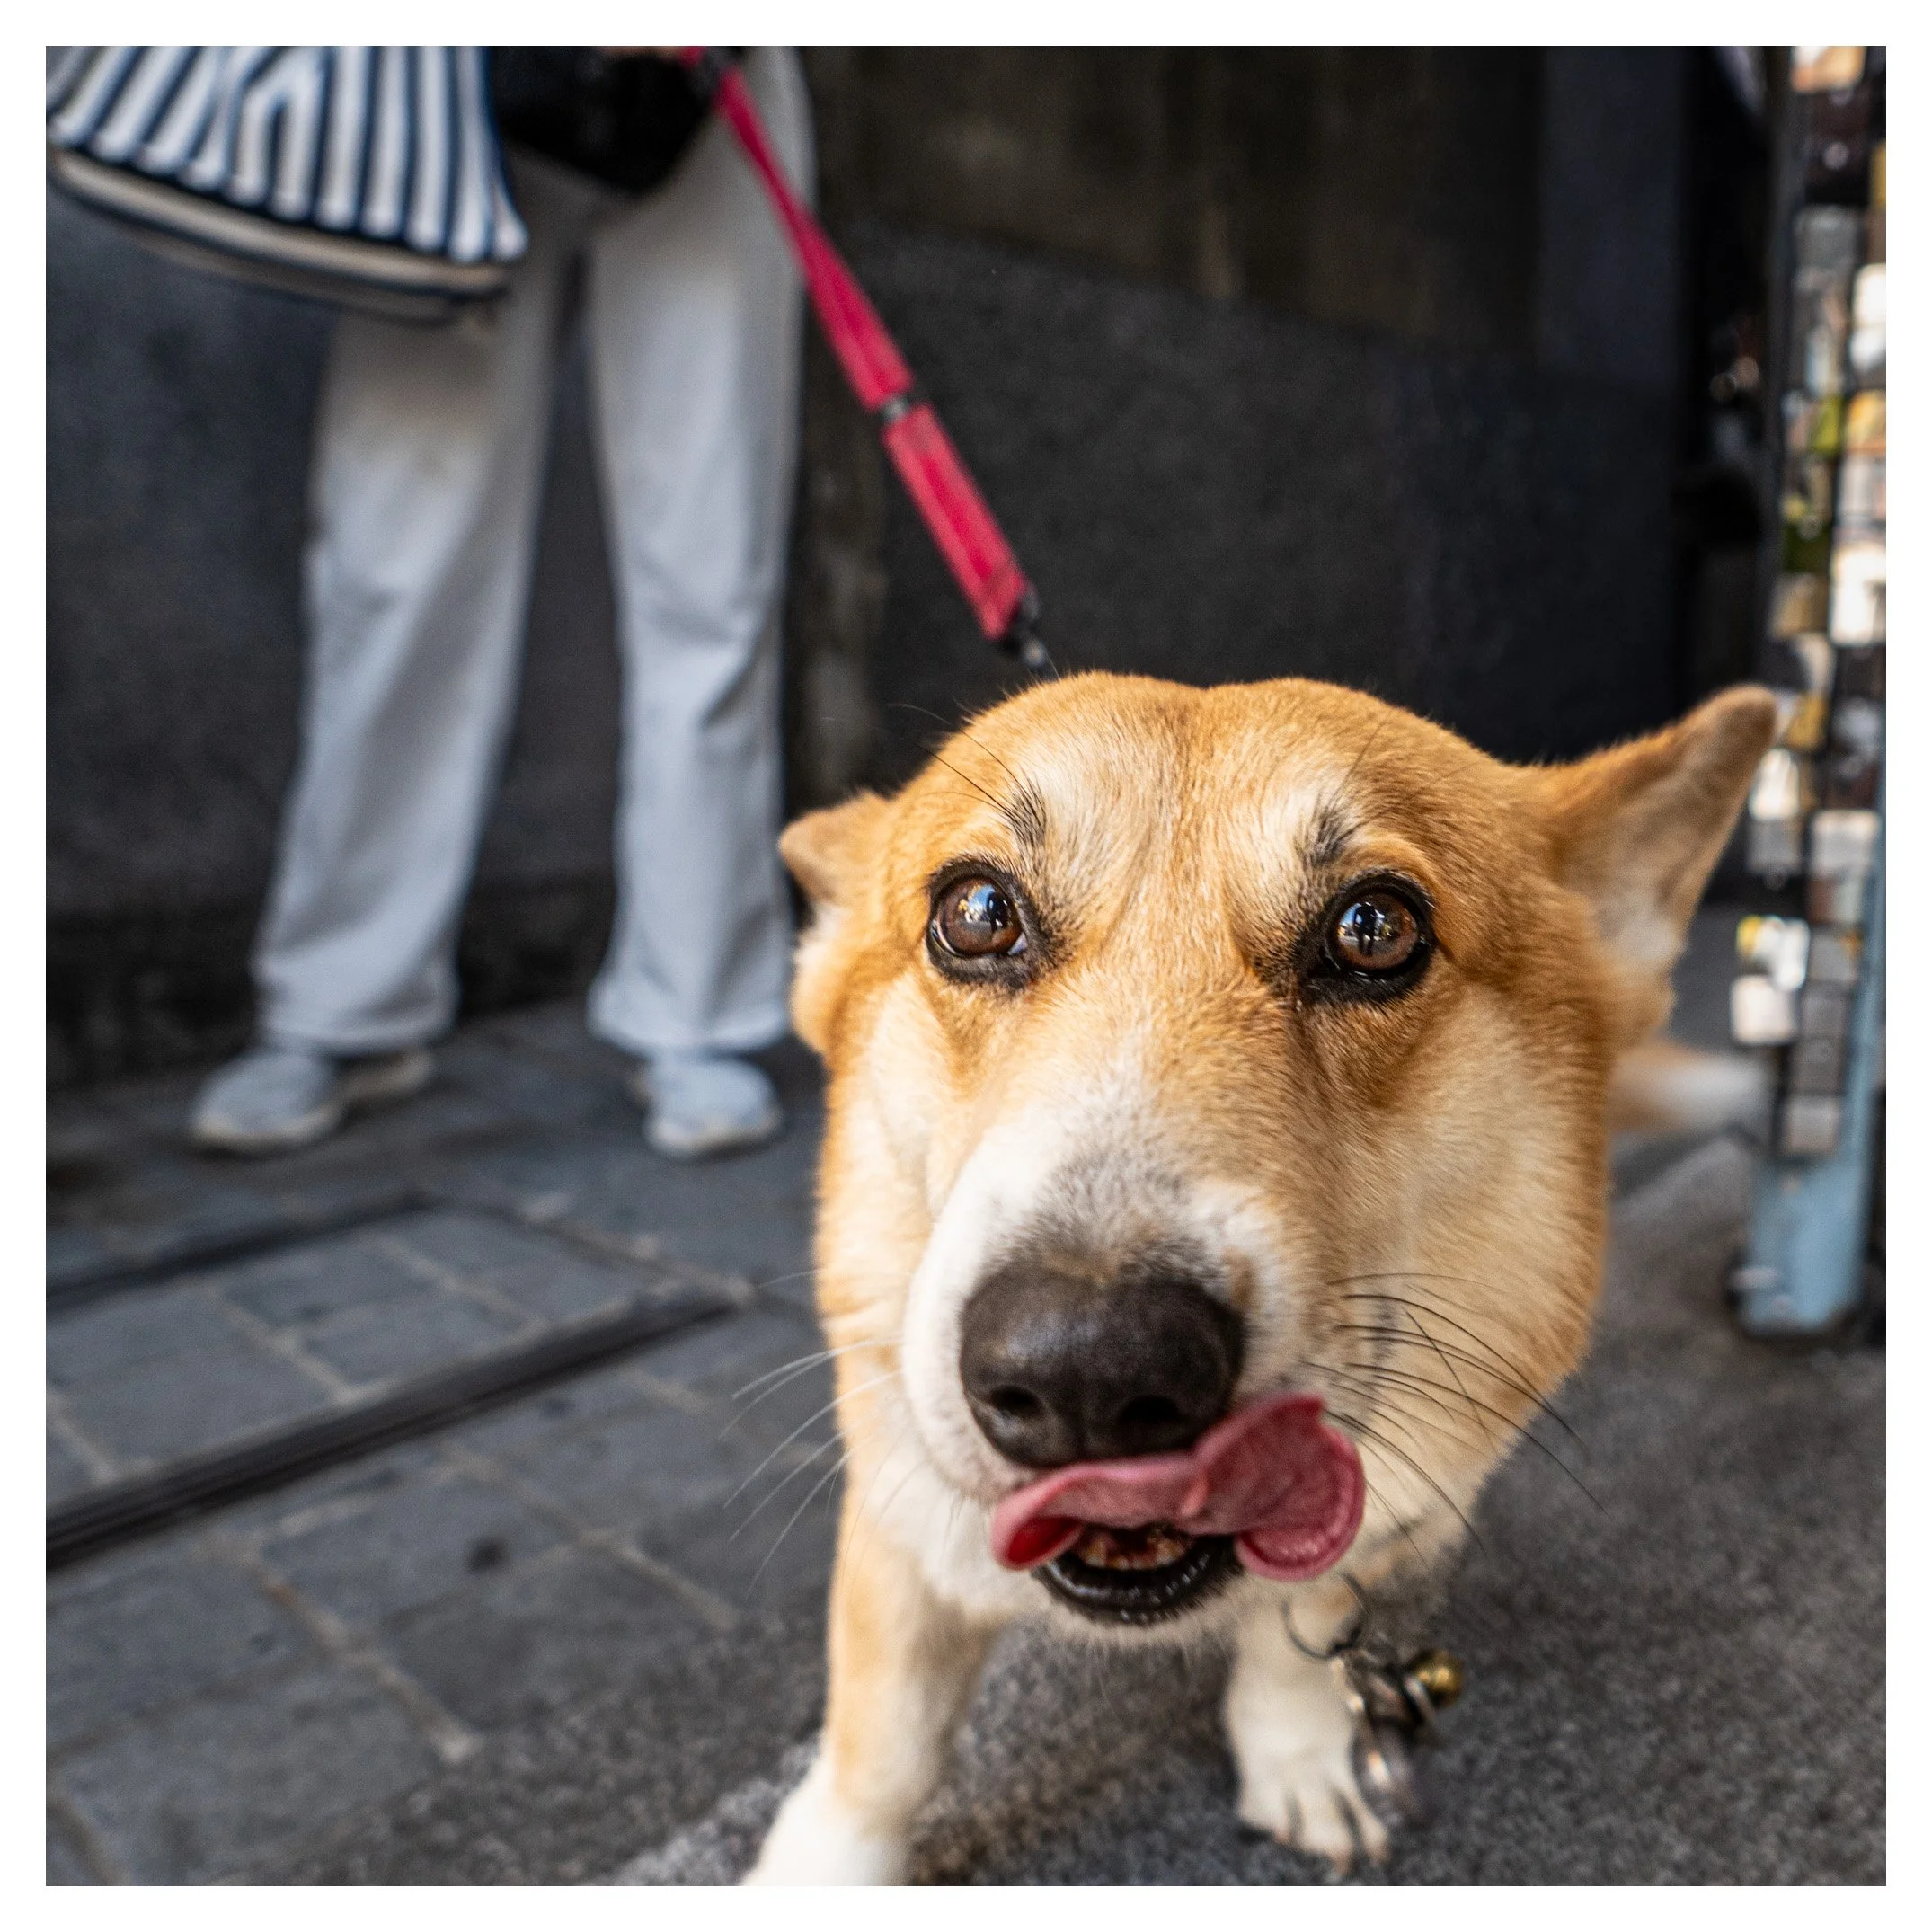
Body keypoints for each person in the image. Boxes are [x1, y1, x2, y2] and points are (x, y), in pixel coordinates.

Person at [191, 48, 811, 1160]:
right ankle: (341, 1006)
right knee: (395, 557)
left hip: (712, 85)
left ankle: (697, 1008)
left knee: (710, 570)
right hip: (443, 85)